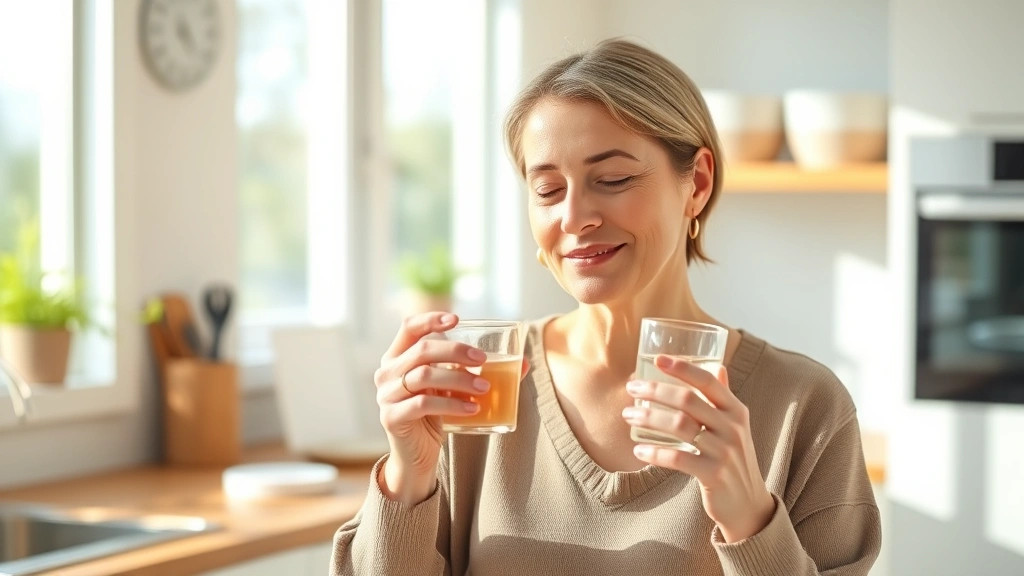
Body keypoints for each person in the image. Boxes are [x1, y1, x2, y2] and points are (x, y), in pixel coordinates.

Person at [331, 38, 881, 576]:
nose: (574, 217)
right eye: (547, 190)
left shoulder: (803, 410)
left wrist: (750, 520)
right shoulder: (476, 390)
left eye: (613, 179)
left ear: (698, 184)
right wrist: (409, 473)